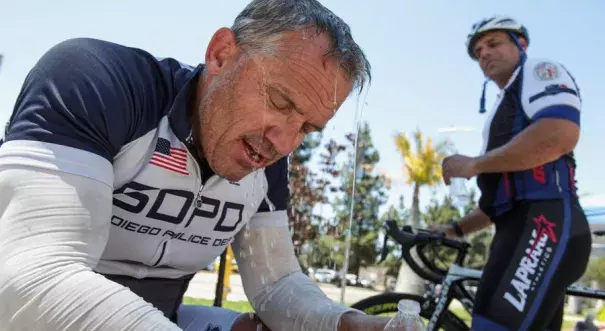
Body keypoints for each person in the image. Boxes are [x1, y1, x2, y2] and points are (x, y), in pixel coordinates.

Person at [0, 1, 396, 330]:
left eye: (307, 127)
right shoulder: (95, 80)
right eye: (279, 101)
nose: (283, 143)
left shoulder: (266, 158)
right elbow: (31, 280)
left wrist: (342, 322)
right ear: (222, 53)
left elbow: (275, 282)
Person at [433, 16, 592, 331]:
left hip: (546, 223)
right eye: (478, 52)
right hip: (523, 226)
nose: (484, 54)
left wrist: (474, 164)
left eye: (493, 43)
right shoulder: (504, 107)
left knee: (491, 325)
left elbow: (560, 133)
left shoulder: (537, 71)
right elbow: (504, 200)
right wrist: (453, 229)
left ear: (521, 45)